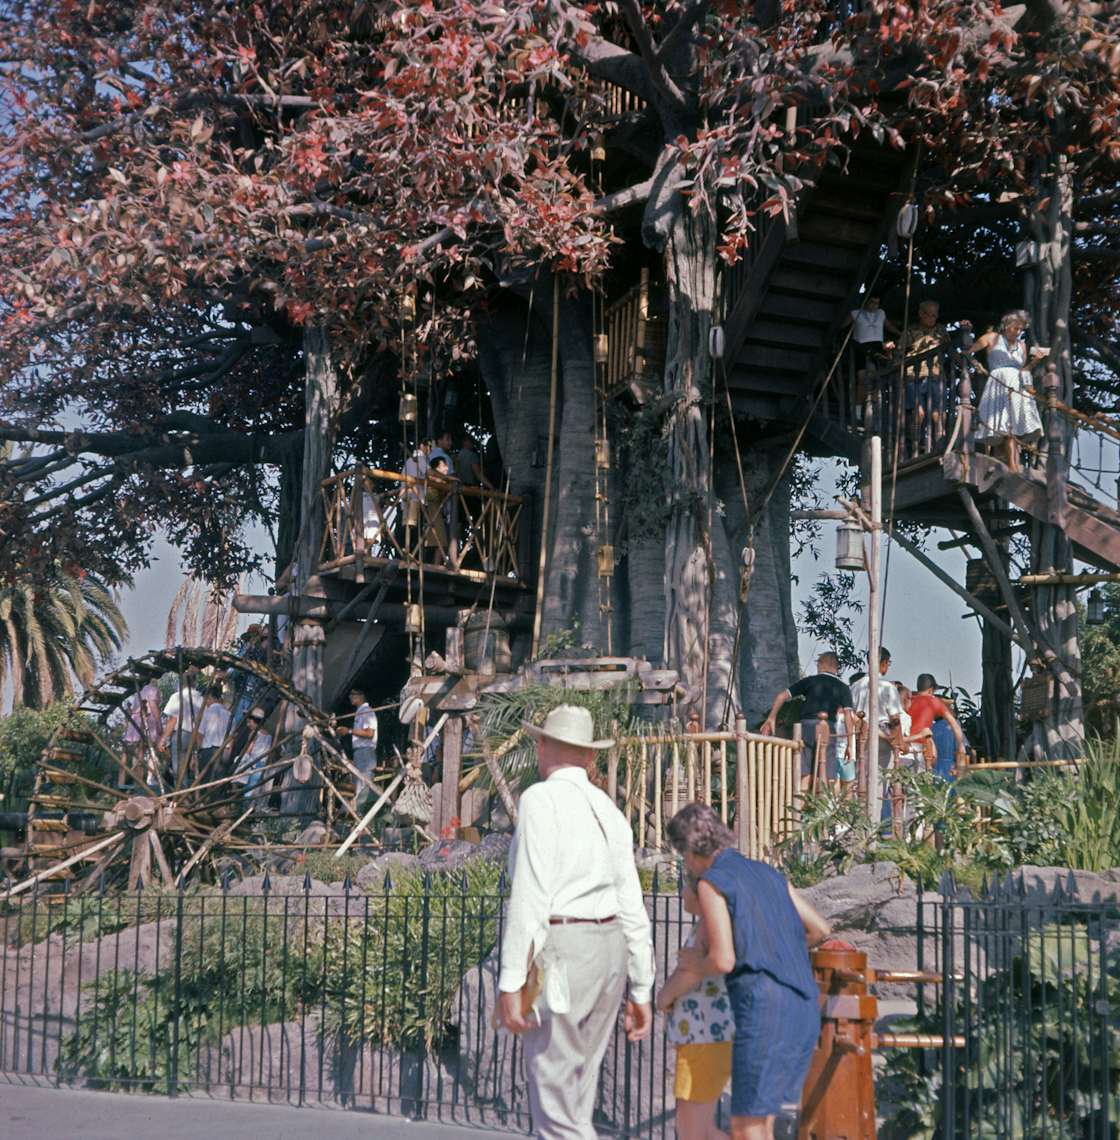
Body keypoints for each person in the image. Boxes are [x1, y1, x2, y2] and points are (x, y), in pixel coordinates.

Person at [497, 704, 654, 1140]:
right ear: (589, 756)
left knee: (555, 1102)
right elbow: (631, 903)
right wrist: (642, 985)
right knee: (578, 1091)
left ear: (542, 746)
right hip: (611, 954)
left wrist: (511, 981)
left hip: (565, 949)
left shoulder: (539, 800)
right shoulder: (610, 811)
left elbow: (530, 892)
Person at [667, 803, 830, 1140]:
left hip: (762, 1006)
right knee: (762, 1123)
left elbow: (722, 959)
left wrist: (692, 963)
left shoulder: (712, 882)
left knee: (746, 1126)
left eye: (683, 854)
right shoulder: (769, 873)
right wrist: (775, 950)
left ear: (690, 849)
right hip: (803, 1005)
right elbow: (819, 930)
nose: (686, 864)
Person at [657, 873, 733, 1140]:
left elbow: (690, 974)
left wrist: (663, 997)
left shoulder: (706, 928)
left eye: (685, 887)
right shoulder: (709, 925)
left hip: (703, 1036)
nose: (681, 894)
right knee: (703, 1129)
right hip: (704, 1037)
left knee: (691, 1129)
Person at [760, 652, 853, 790]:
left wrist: (771, 718)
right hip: (828, 729)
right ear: (836, 667)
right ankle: (824, 807)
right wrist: (850, 744)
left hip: (807, 727)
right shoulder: (843, 687)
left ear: (821, 664)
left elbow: (781, 696)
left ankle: (799, 806)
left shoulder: (810, 681)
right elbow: (848, 716)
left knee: (805, 774)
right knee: (828, 775)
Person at [969, 309, 1046, 473]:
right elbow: (968, 352)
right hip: (999, 382)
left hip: (1017, 384)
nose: (1018, 332)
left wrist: (1035, 362)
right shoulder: (991, 338)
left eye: (1021, 329)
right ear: (1006, 325)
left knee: (1015, 426)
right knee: (1005, 425)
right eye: (1015, 328)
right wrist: (977, 365)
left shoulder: (1022, 345)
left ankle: (1011, 464)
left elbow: (1024, 370)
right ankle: (1012, 466)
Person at [850, 647, 903, 806]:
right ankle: (873, 824)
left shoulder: (855, 686)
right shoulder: (888, 687)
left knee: (859, 782)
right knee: (878, 785)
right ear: (884, 663)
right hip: (882, 740)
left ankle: (859, 823)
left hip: (859, 739)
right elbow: (895, 719)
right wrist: (898, 741)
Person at [909, 674, 967, 780]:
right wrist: (960, 745)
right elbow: (954, 724)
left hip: (905, 747)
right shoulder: (933, 701)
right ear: (931, 690)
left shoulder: (908, 700)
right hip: (922, 751)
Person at [338, 685, 379, 810]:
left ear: (361, 696)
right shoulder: (360, 712)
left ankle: (363, 816)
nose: (351, 697)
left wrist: (349, 731)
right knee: (358, 785)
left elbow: (369, 733)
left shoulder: (367, 711)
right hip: (359, 753)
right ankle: (357, 815)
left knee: (364, 785)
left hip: (366, 753)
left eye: (353, 694)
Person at [159, 665, 204, 778]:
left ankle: (181, 793)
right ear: (195, 683)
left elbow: (173, 719)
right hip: (196, 736)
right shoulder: (201, 698)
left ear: (182, 683)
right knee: (191, 769)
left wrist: (163, 739)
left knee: (179, 771)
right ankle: (188, 793)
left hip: (181, 736)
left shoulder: (177, 696)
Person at [843, 294, 899, 375]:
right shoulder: (855, 313)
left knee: (880, 373)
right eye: (872, 302)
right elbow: (842, 325)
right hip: (861, 346)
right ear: (865, 302)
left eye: (877, 303)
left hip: (878, 345)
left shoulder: (881, 313)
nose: (874, 305)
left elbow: (888, 326)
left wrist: (900, 333)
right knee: (862, 374)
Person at [121, 680, 162, 787]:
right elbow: (153, 706)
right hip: (147, 720)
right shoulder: (152, 689)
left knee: (139, 751)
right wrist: (159, 724)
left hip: (135, 722)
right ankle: (150, 777)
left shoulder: (138, 694)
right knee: (153, 749)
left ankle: (136, 780)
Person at [232, 707, 274, 800]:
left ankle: (237, 803)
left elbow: (249, 749)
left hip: (253, 763)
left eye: (249, 722)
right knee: (252, 787)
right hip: (262, 763)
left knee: (238, 780)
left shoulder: (254, 733)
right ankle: (246, 804)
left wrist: (241, 759)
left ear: (255, 722)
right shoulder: (269, 735)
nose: (248, 725)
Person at [197, 683, 231, 776]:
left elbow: (200, 735)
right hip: (224, 752)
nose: (205, 703)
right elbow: (232, 738)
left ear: (209, 698)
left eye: (205, 699)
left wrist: (195, 754)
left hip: (208, 752)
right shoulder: (229, 715)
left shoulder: (206, 713)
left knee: (204, 779)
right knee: (217, 781)